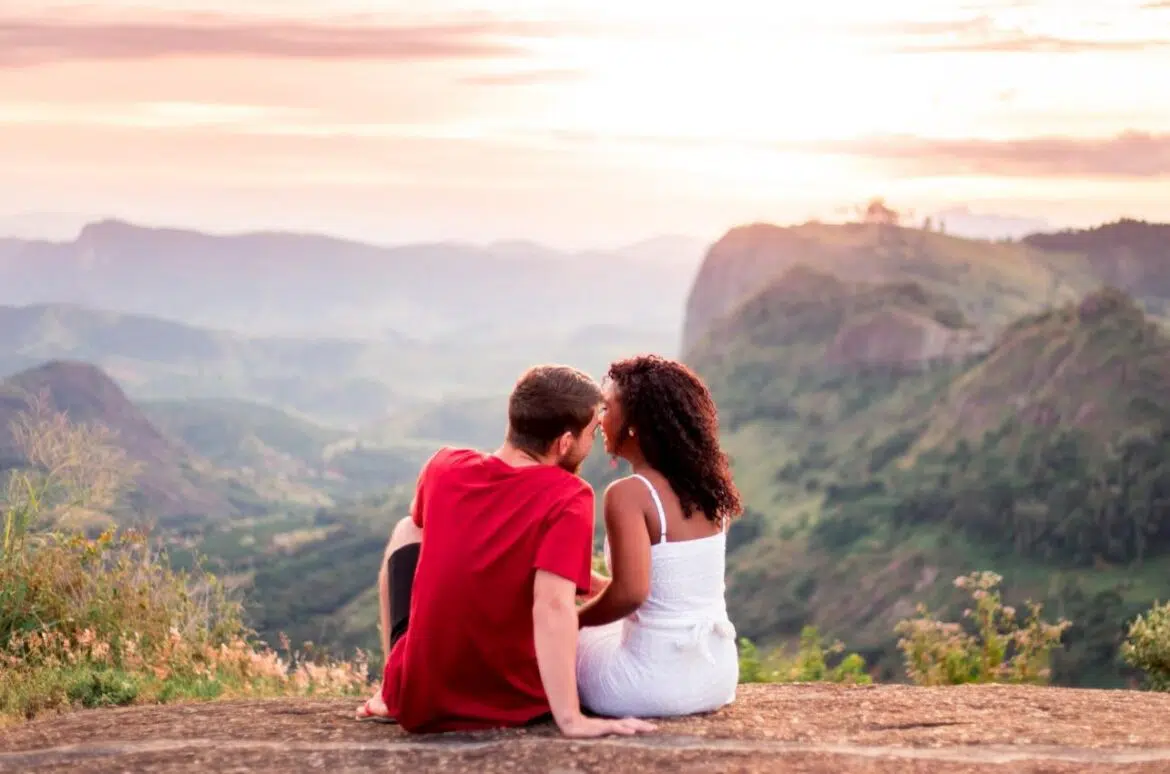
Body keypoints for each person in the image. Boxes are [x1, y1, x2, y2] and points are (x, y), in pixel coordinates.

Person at [355, 364, 656, 738]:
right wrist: (571, 719)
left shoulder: (443, 467)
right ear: (564, 443)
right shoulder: (568, 496)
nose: (592, 442)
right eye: (591, 432)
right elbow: (552, 605)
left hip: (420, 701)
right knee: (411, 528)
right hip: (514, 701)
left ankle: (391, 687)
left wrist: (601, 585)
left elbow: (465, 543)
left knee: (407, 528)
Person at [576, 354, 743, 718]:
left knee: (563, 637)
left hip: (650, 685)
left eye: (607, 408)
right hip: (716, 675)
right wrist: (589, 583)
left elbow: (631, 594)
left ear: (634, 425)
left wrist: (573, 620)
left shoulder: (629, 495)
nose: (599, 419)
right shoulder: (707, 489)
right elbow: (669, 588)